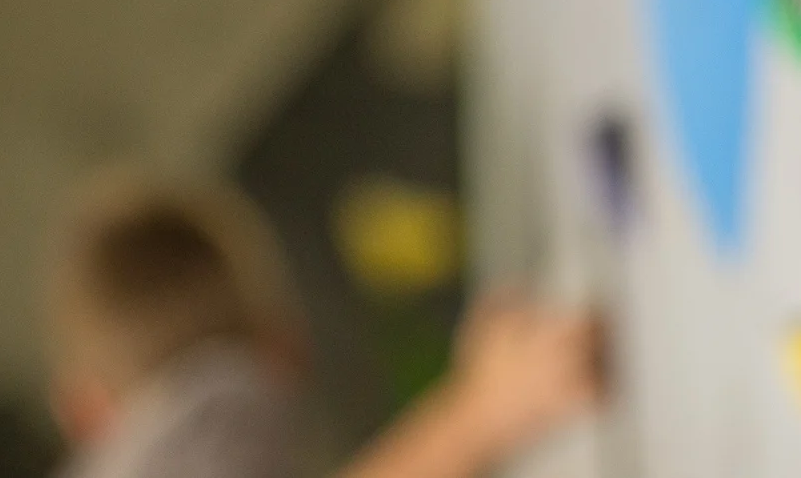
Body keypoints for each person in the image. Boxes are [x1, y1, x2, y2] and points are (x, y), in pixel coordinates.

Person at [48, 175, 604, 478]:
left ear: (80, 410)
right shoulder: (209, 402)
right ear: (284, 347)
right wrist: (487, 408)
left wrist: (479, 399)